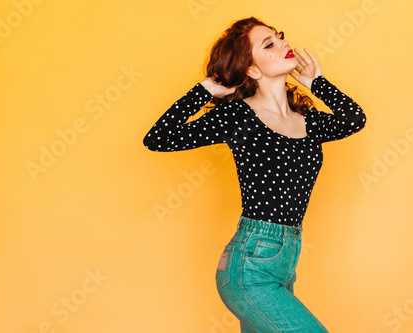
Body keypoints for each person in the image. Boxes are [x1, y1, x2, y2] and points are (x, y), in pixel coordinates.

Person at [144, 16, 366, 333]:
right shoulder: (238, 116)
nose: (284, 44)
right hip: (251, 264)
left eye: (280, 37)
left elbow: (353, 119)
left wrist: (317, 83)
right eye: (269, 44)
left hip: (285, 262)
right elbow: (158, 138)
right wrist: (204, 89)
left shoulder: (308, 121)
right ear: (252, 69)